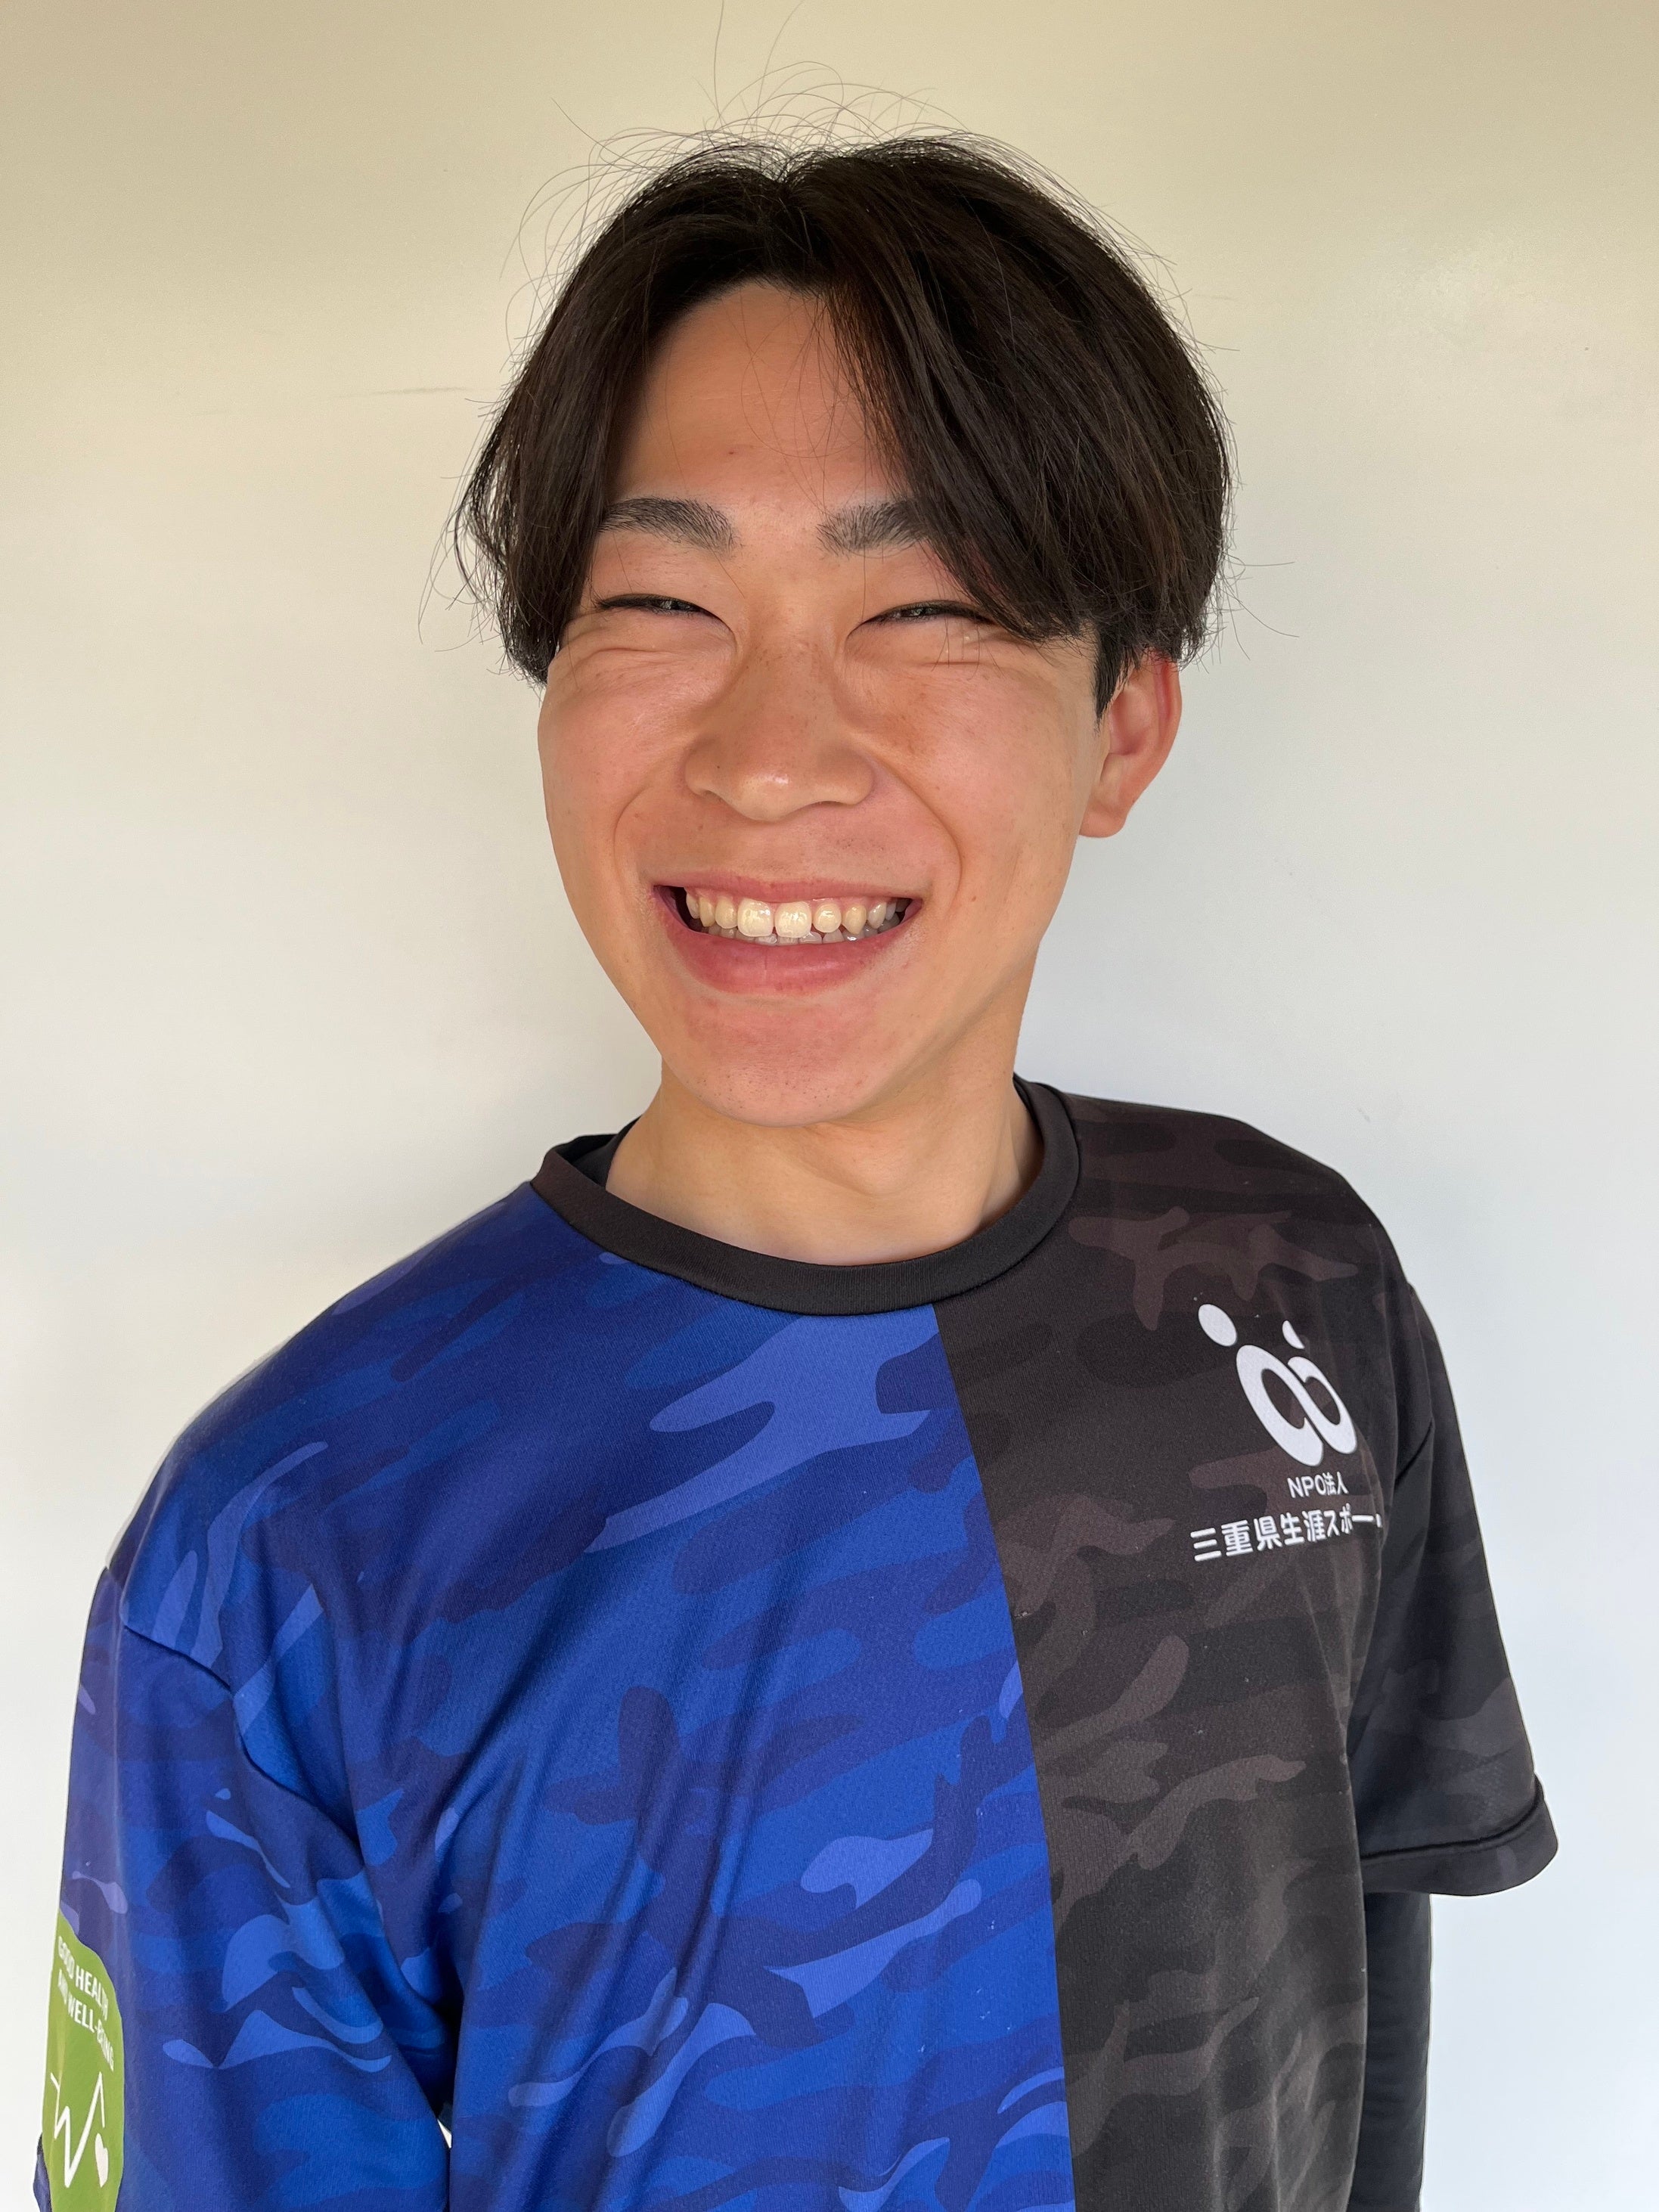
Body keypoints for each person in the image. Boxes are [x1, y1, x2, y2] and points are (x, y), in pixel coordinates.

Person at [38, 135, 1555, 2212]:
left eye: (925, 609)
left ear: (1122, 730)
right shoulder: (287, 1544)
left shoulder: (1291, 1284)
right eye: (663, 605)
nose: (768, 759)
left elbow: (1350, 2002)